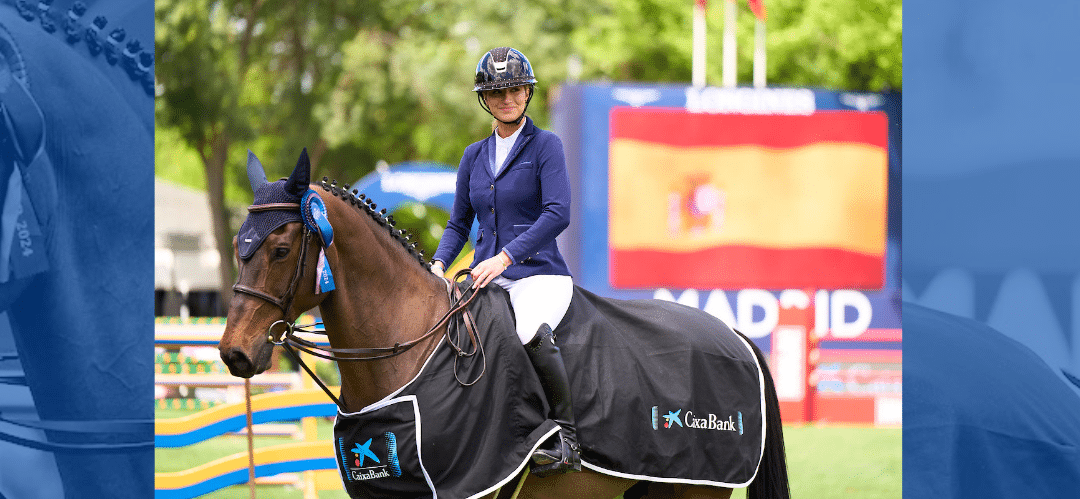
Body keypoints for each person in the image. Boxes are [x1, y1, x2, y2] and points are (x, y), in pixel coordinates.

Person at [430, 47, 579, 477]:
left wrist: (506, 257)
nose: (506, 98)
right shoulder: (473, 156)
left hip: (539, 275)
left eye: (514, 89)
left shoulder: (545, 145)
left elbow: (558, 213)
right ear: (485, 99)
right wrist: (438, 264)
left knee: (527, 331)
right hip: (485, 280)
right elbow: (458, 223)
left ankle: (568, 438)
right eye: (496, 92)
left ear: (527, 93)